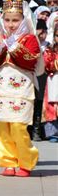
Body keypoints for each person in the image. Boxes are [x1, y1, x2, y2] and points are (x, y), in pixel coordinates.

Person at [0, 0, 40, 176]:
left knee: (19, 126)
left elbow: (31, 60)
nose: (11, 24)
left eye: (15, 20)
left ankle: (26, 161)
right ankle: (7, 161)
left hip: (20, 89)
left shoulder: (30, 38)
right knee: (0, 126)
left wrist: (13, 46)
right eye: (7, 20)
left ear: (24, 19)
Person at [43, 13, 58, 142]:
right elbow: (47, 64)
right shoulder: (50, 48)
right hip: (54, 78)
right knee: (52, 104)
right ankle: (53, 132)